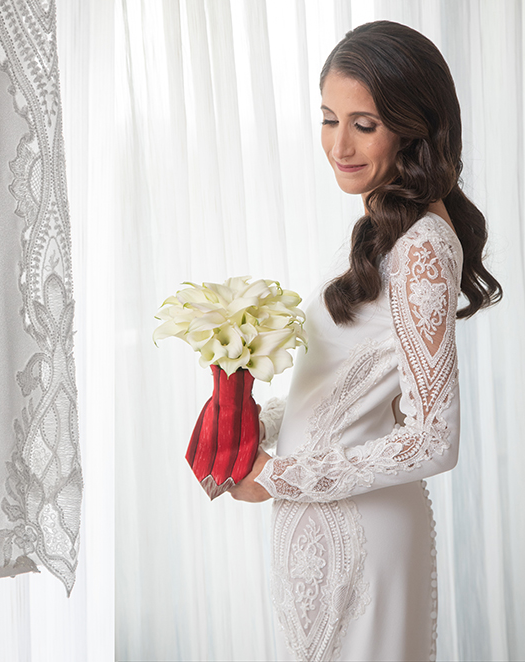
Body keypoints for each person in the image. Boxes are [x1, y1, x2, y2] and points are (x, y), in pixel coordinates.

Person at [226, 21, 501, 661]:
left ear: (412, 126)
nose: (339, 145)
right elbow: (353, 398)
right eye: (329, 119)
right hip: (323, 527)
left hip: (358, 533)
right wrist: (248, 427)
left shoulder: (424, 247)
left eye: (364, 124)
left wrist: (279, 477)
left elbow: (435, 436)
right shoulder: (385, 228)